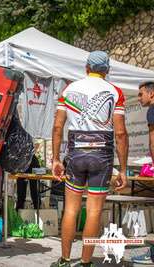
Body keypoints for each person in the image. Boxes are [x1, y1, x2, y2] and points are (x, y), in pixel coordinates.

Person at [51, 51, 128, 267]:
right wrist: (122, 170)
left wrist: (55, 159)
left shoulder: (69, 89)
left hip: (76, 152)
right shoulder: (115, 92)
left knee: (71, 209)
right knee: (94, 210)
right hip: (102, 155)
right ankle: (86, 263)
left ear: (86, 68)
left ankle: (65, 260)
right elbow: (120, 133)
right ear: (107, 71)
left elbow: (58, 127)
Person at [131, 81, 154, 265]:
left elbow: (153, 141)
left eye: (141, 94)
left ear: (151, 94)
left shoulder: (152, 110)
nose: (139, 98)